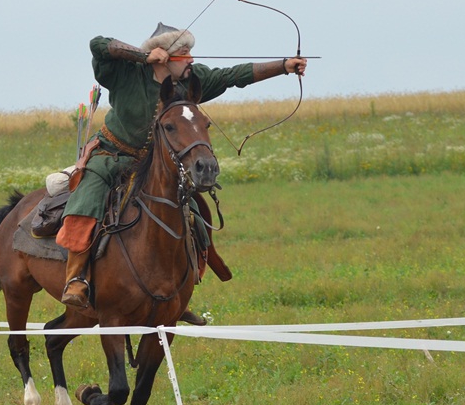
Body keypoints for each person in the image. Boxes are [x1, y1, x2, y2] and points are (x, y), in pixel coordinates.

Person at [57, 23, 308, 309]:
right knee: (85, 203)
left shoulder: (191, 79)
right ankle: (76, 278)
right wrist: (143, 57)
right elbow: (98, 44)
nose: (191, 59)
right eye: (184, 53)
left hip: (156, 164)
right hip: (112, 155)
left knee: (193, 212)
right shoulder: (128, 73)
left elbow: (233, 75)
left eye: (191, 53)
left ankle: (180, 286)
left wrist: (284, 66)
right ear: (163, 54)